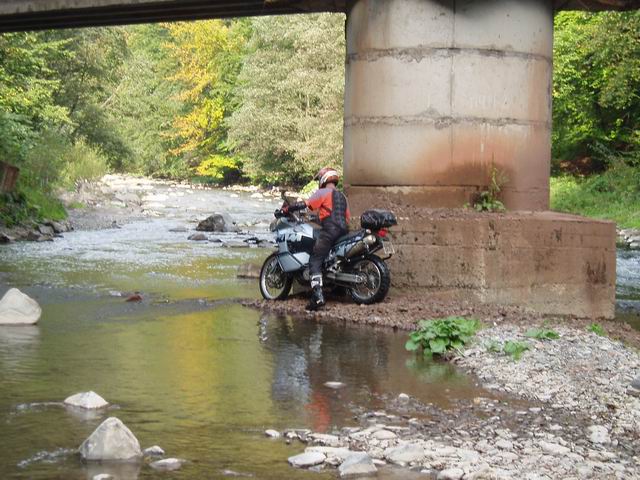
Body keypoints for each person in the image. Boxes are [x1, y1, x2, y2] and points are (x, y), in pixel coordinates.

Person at [282, 167, 350, 311]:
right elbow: (346, 217)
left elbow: (306, 204)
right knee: (336, 258)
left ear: (323, 179)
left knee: (315, 259)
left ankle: (318, 296)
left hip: (330, 231)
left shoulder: (322, 192)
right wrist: (318, 219)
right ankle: (340, 289)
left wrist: (289, 208)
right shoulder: (343, 197)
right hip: (344, 231)